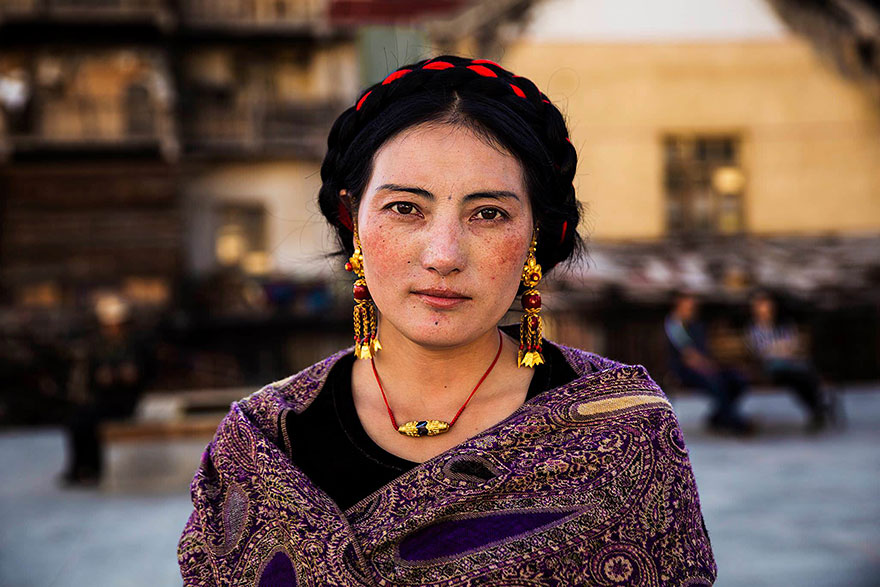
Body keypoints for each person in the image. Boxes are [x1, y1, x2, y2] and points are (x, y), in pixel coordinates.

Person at [179, 56, 716, 585]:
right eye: (406, 208)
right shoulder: (263, 446)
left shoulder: (622, 433)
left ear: (536, 234)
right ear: (353, 219)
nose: (443, 255)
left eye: (489, 214)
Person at [62, 294, 149, 485]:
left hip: (125, 399)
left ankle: (94, 468)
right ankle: (82, 467)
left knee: (92, 420)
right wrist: (100, 376)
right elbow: (90, 374)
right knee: (78, 421)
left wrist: (133, 374)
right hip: (102, 398)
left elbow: (145, 370)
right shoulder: (97, 344)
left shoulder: (135, 343)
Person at [665, 291, 752, 435]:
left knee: (738, 380)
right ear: (678, 305)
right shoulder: (674, 325)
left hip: (708, 366)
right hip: (686, 370)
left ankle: (720, 417)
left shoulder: (697, 325)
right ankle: (735, 422)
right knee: (717, 382)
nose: (691, 310)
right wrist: (709, 366)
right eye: (688, 306)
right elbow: (689, 356)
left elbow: (711, 351)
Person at [745, 290, 830, 431]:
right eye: (759, 305)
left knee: (803, 373)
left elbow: (793, 344)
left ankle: (816, 409)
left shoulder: (784, 325)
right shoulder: (753, 328)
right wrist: (779, 348)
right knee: (797, 376)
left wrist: (779, 349)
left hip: (790, 363)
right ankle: (817, 408)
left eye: (766, 304)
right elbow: (759, 351)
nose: (764, 308)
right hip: (770, 368)